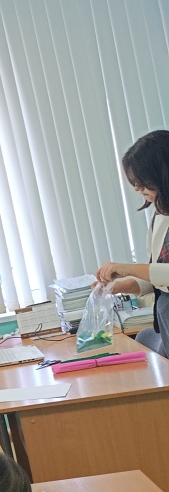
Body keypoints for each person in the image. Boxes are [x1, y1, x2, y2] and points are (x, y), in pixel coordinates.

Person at [95, 130, 169, 357]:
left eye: (141, 180)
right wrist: (121, 286)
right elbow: (159, 276)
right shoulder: (160, 214)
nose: (136, 187)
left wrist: (129, 268)